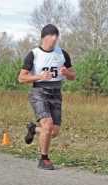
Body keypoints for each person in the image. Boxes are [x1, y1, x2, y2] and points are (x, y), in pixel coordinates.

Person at [18, 24, 76, 170]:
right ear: (44, 37)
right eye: (52, 37)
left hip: (56, 92)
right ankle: (44, 159)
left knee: (54, 132)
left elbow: (73, 76)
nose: (55, 40)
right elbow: (21, 78)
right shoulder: (34, 54)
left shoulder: (62, 54)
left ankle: (33, 129)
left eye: (57, 37)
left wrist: (66, 73)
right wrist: (39, 76)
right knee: (48, 125)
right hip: (39, 91)